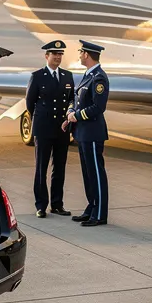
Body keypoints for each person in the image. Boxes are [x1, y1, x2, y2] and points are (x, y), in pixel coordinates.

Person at [25, 40, 75, 218]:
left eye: (60, 54)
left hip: (62, 129)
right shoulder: (38, 76)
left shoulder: (68, 76)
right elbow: (30, 103)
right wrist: (41, 119)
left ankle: (57, 204)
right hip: (44, 128)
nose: (58, 57)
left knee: (59, 168)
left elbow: (71, 99)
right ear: (47, 56)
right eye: (54, 54)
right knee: (41, 168)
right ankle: (41, 205)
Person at [65, 40, 110, 227]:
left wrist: (76, 115)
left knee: (96, 173)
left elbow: (98, 107)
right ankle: (91, 207)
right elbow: (76, 99)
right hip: (83, 132)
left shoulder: (99, 78)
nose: (79, 54)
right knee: (87, 173)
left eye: (80, 52)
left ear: (86, 54)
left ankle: (99, 214)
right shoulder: (88, 75)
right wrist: (69, 113)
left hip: (92, 132)